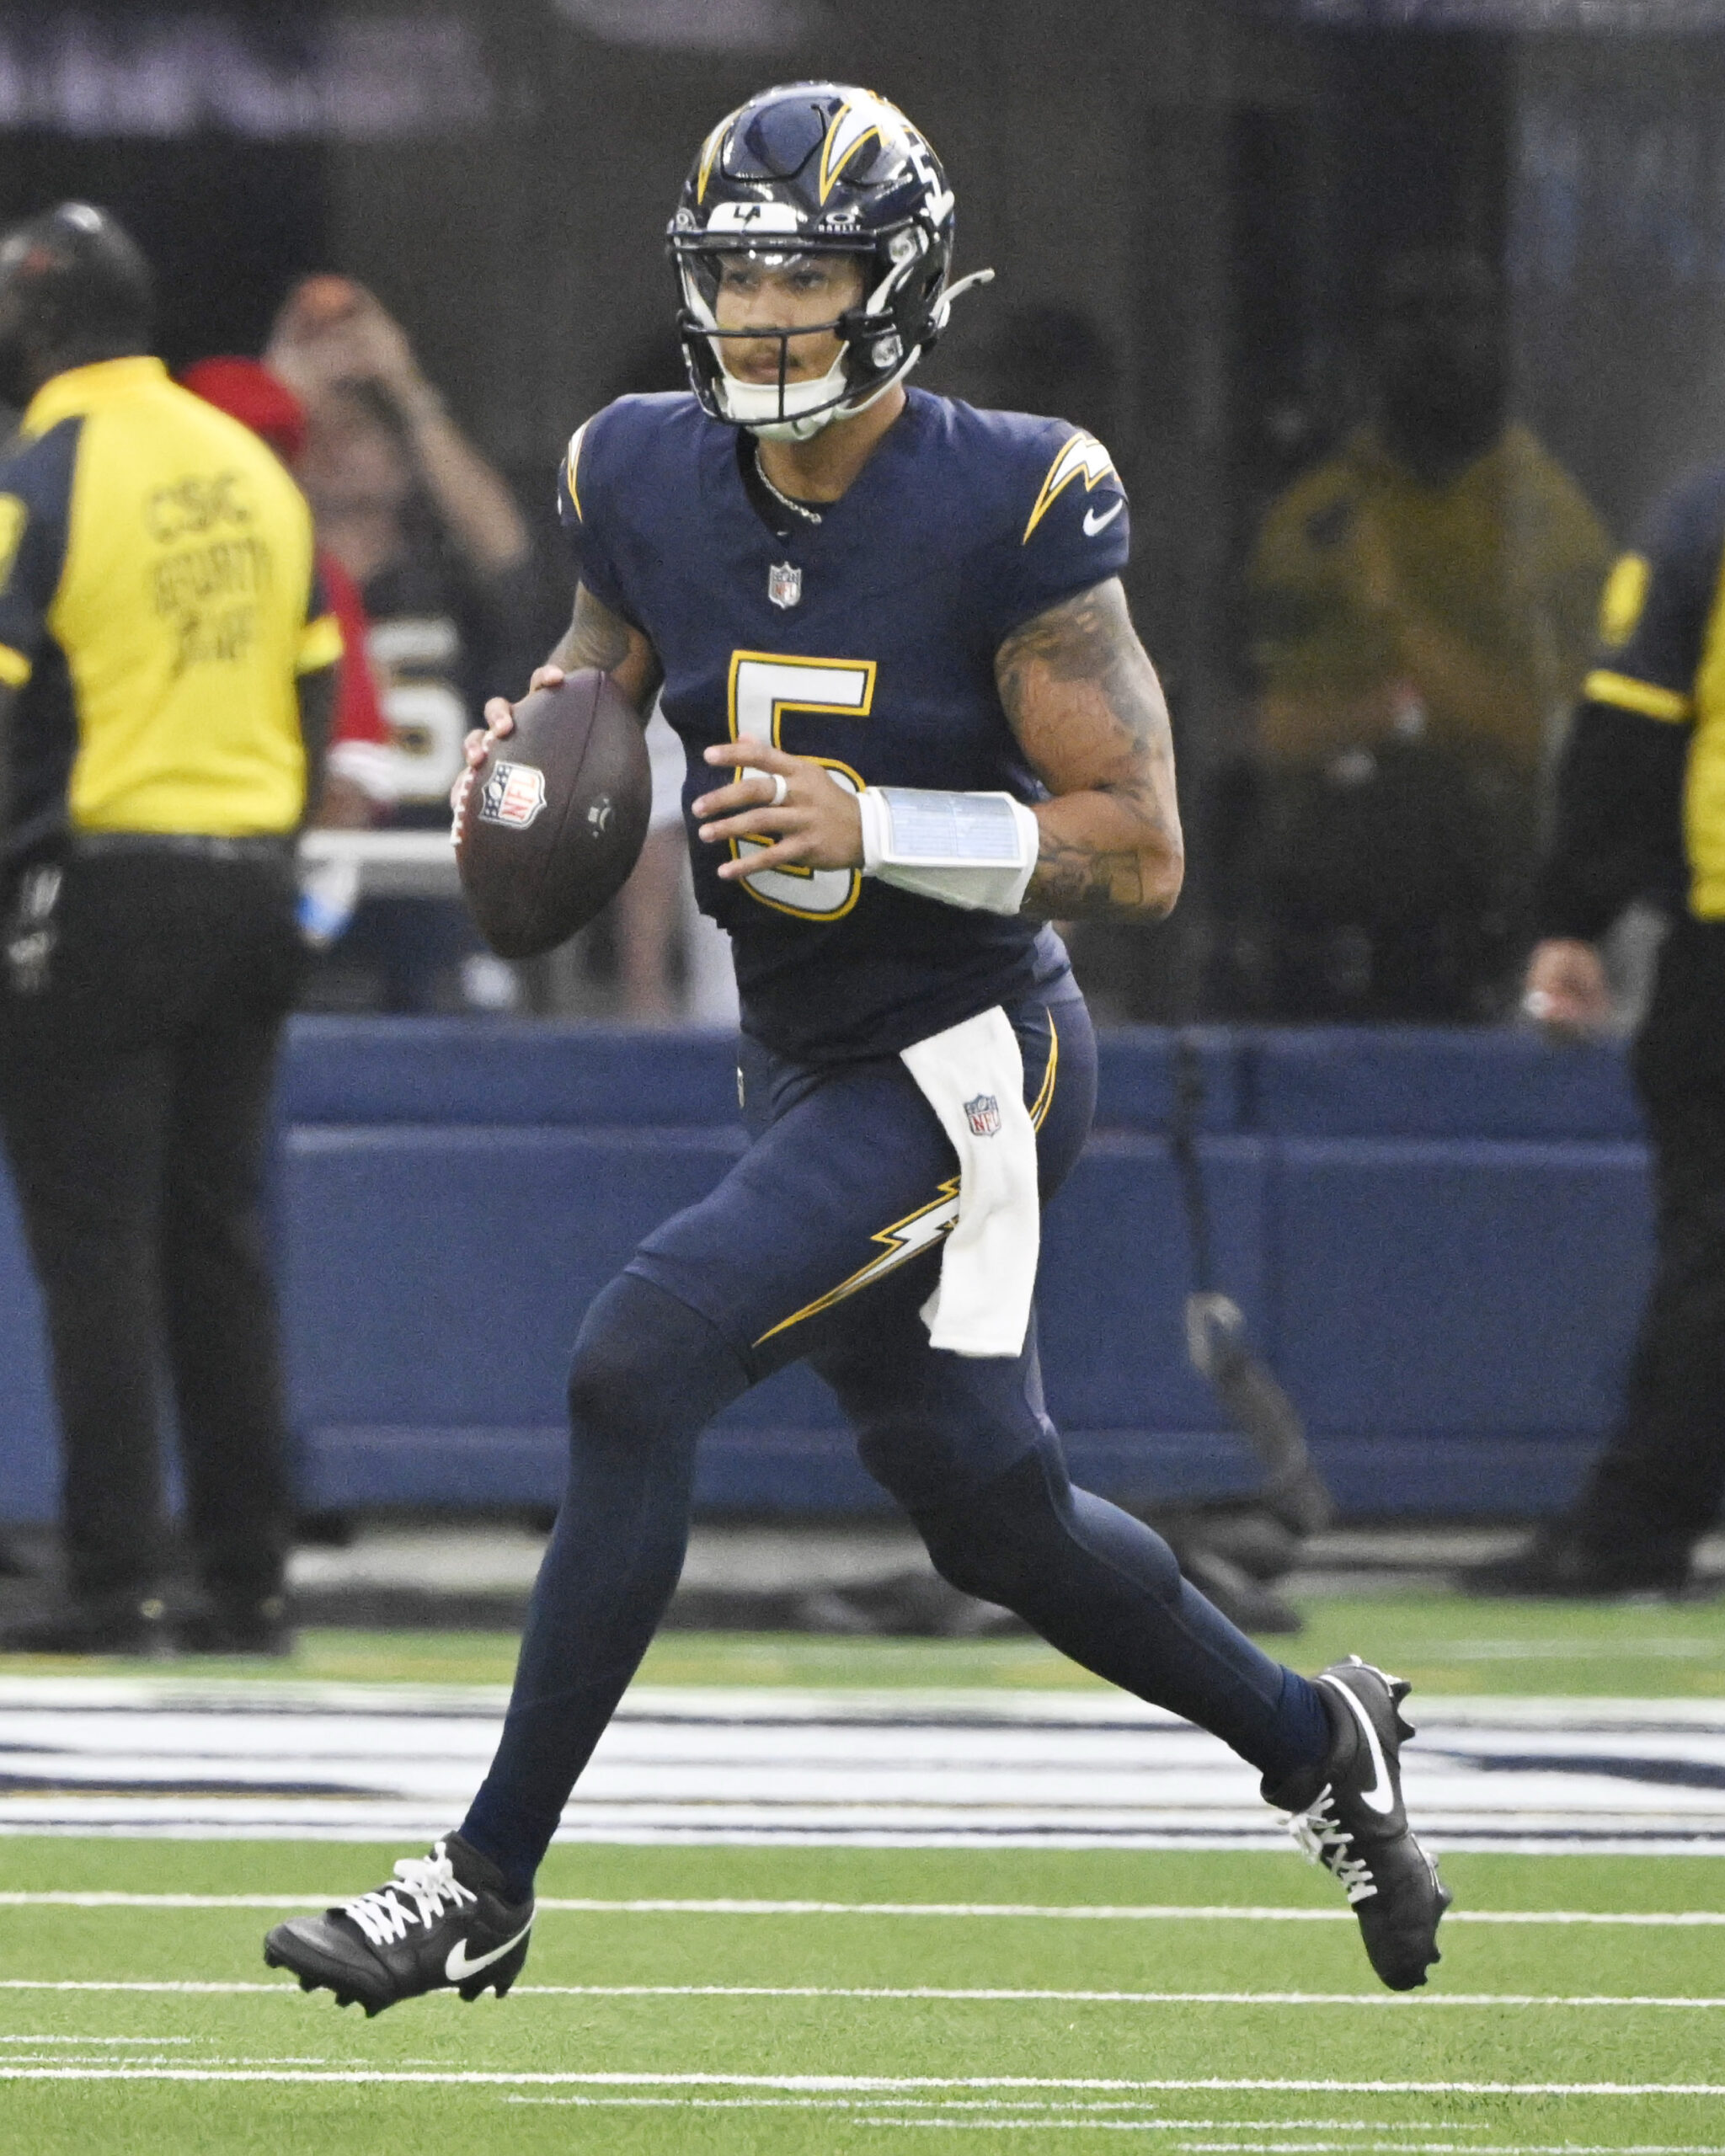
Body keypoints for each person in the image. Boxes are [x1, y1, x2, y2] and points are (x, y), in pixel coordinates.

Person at [263, 83, 1447, 2012]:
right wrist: (526, 755)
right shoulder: (637, 469)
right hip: (804, 1053)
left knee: (636, 1356)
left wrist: (872, 822)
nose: (761, 315)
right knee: (988, 1511)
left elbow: (1138, 850)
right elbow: (598, 675)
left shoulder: (1012, 496)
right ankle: (1319, 1738)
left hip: (976, 1058)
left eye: (801, 269)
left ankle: (481, 1877)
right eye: (733, 276)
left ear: (896, 280)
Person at [0, 205, 339, 1654]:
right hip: (250, 882)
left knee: (97, 1244)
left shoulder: (41, 475)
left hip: (101, 885)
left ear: (35, 326)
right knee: (217, 1235)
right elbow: (319, 677)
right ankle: (244, 1576)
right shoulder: (249, 467)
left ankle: (109, 1575)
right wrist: (266, 832)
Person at [1236, 248, 1610, 1020]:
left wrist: (1391, 616)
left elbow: (1551, 743)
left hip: (1489, 933)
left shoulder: (1553, 528)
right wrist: (1384, 711)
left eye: (1460, 316)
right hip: (1309, 925)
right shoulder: (1310, 521)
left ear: (1500, 340)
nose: (1435, 340)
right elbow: (1253, 732)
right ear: (1373, 340)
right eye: (1410, 316)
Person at [1471, 465, 1725, 1598]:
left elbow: (1627, 723)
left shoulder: (1706, 516)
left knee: (1714, 1251)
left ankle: (1635, 1527)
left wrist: (1575, 916)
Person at [266, 277, 540, 1010]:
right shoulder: (273, 577)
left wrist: (407, 387)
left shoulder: (444, 579)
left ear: (400, 455)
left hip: (432, 873)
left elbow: (511, 555)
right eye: (321, 432)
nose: (339, 450)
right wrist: (275, 394)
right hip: (303, 864)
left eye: (360, 431)